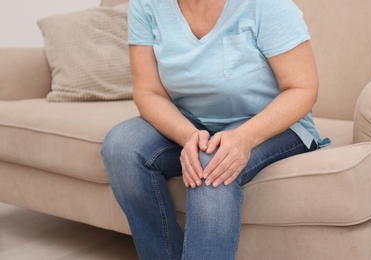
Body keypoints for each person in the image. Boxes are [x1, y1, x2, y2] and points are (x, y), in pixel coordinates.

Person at [102, 0, 329, 259]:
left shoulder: (266, 5)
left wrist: (244, 138)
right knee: (121, 146)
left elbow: (302, 89)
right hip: (192, 121)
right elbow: (148, 91)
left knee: (212, 161)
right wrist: (187, 135)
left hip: (271, 123)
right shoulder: (146, 4)